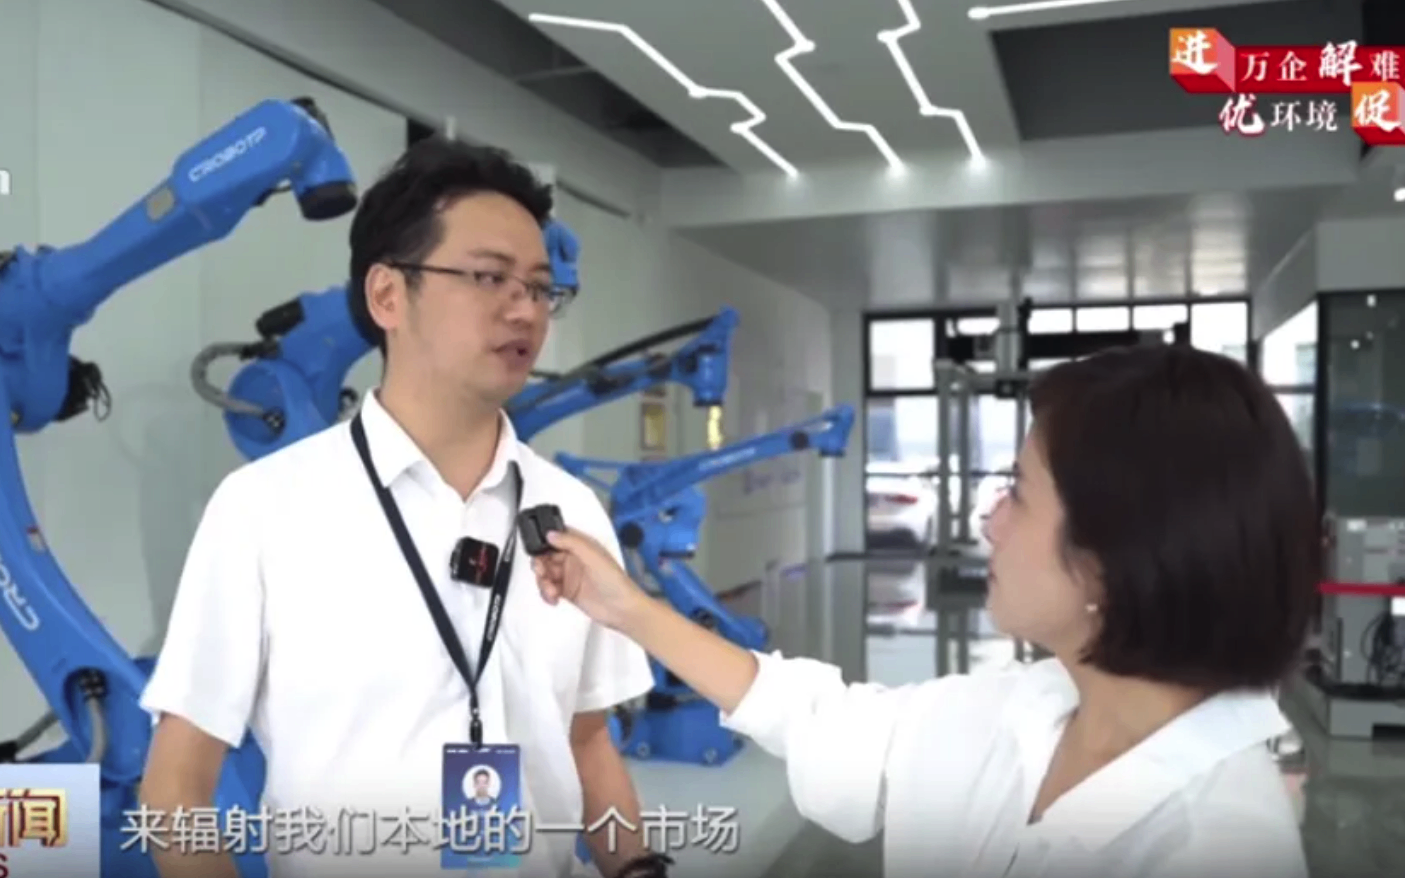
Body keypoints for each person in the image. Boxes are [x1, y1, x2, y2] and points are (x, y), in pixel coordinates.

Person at [531, 344, 1317, 878]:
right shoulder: (1026, 711)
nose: (990, 521)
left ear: (1112, 558)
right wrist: (629, 609)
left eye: (1017, 493)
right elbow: (821, 718)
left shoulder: (1220, 843)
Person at [138, 138, 656, 878]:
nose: (525, 310)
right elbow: (177, 787)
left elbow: (588, 742)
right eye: (489, 277)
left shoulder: (570, 512)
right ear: (387, 295)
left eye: (542, 289)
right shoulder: (264, 509)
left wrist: (637, 869)